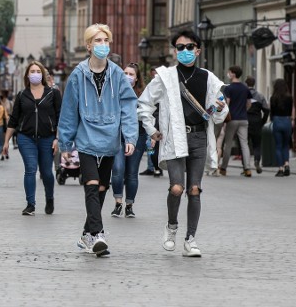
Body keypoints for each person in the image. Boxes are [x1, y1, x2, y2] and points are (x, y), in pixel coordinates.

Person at [137, 30, 228, 258]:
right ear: (174, 51)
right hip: (175, 138)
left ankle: (191, 239)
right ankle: (171, 227)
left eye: (189, 47)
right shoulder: (165, 77)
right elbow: (144, 104)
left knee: (194, 189)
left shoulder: (209, 78)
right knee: (177, 188)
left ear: (198, 50)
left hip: (198, 137)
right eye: (180, 47)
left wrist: (219, 107)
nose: (185, 51)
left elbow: (219, 113)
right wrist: (152, 130)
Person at [59, 23, 137, 257]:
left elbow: (128, 107)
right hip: (86, 139)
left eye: (106, 41)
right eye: (98, 41)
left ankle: (86, 234)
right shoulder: (78, 75)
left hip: (110, 139)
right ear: (88, 45)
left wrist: (130, 136)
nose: (103, 45)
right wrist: (65, 142)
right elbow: (69, 111)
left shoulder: (117, 74)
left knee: (103, 187)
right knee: (92, 185)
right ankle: (98, 234)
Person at [3, 61, 62, 215]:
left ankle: (50, 198)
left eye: (38, 71)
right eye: (32, 71)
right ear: (27, 75)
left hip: (47, 138)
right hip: (26, 137)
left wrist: (57, 138)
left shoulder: (53, 93)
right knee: (30, 169)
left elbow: (60, 117)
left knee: (47, 172)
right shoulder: (22, 95)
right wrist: (6, 141)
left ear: (42, 74)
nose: (35, 73)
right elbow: (13, 119)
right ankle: (30, 204)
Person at [110, 62, 149, 218]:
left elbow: (148, 116)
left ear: (137, 78)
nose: (128, 77)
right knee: (118, 169)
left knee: (132, 173)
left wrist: (151, 135)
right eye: (125, 73)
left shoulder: (143, 95)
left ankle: (129, 205)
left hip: (138, 136)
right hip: (117, 136)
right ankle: (118, 203)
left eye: (131, 74)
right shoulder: (114, 93)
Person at [219, 65, 252, 177]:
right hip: (244, 119)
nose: (228, 74)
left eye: (229, 72)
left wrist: (224, 117)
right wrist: (244, 110)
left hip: (232, 119)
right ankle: (247, 168)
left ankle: (223, 168)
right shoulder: (245, 88)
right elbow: (249, 103)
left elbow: (227, 103)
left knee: (228, 144)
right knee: (244, 143)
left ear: (233, 74)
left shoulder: (229, 88)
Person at [244, 76, 270, 174]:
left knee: (244, 145)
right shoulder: (260, 96)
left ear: (246, 84)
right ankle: (257, 161)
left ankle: (246, 166)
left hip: (245, 121)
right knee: (257, 144)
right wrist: (262, 121)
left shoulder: (243, 95)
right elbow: (266, 110)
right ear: (254, 84)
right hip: (256, 121)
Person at [269, 78, 294, 177]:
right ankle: (287, 164)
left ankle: (280, 168)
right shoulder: (289, 97)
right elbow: (291, 109)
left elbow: (272, 111)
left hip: (277, 120)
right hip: (287, 120)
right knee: (286, 145)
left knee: (278, 146)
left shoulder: (273, 98)